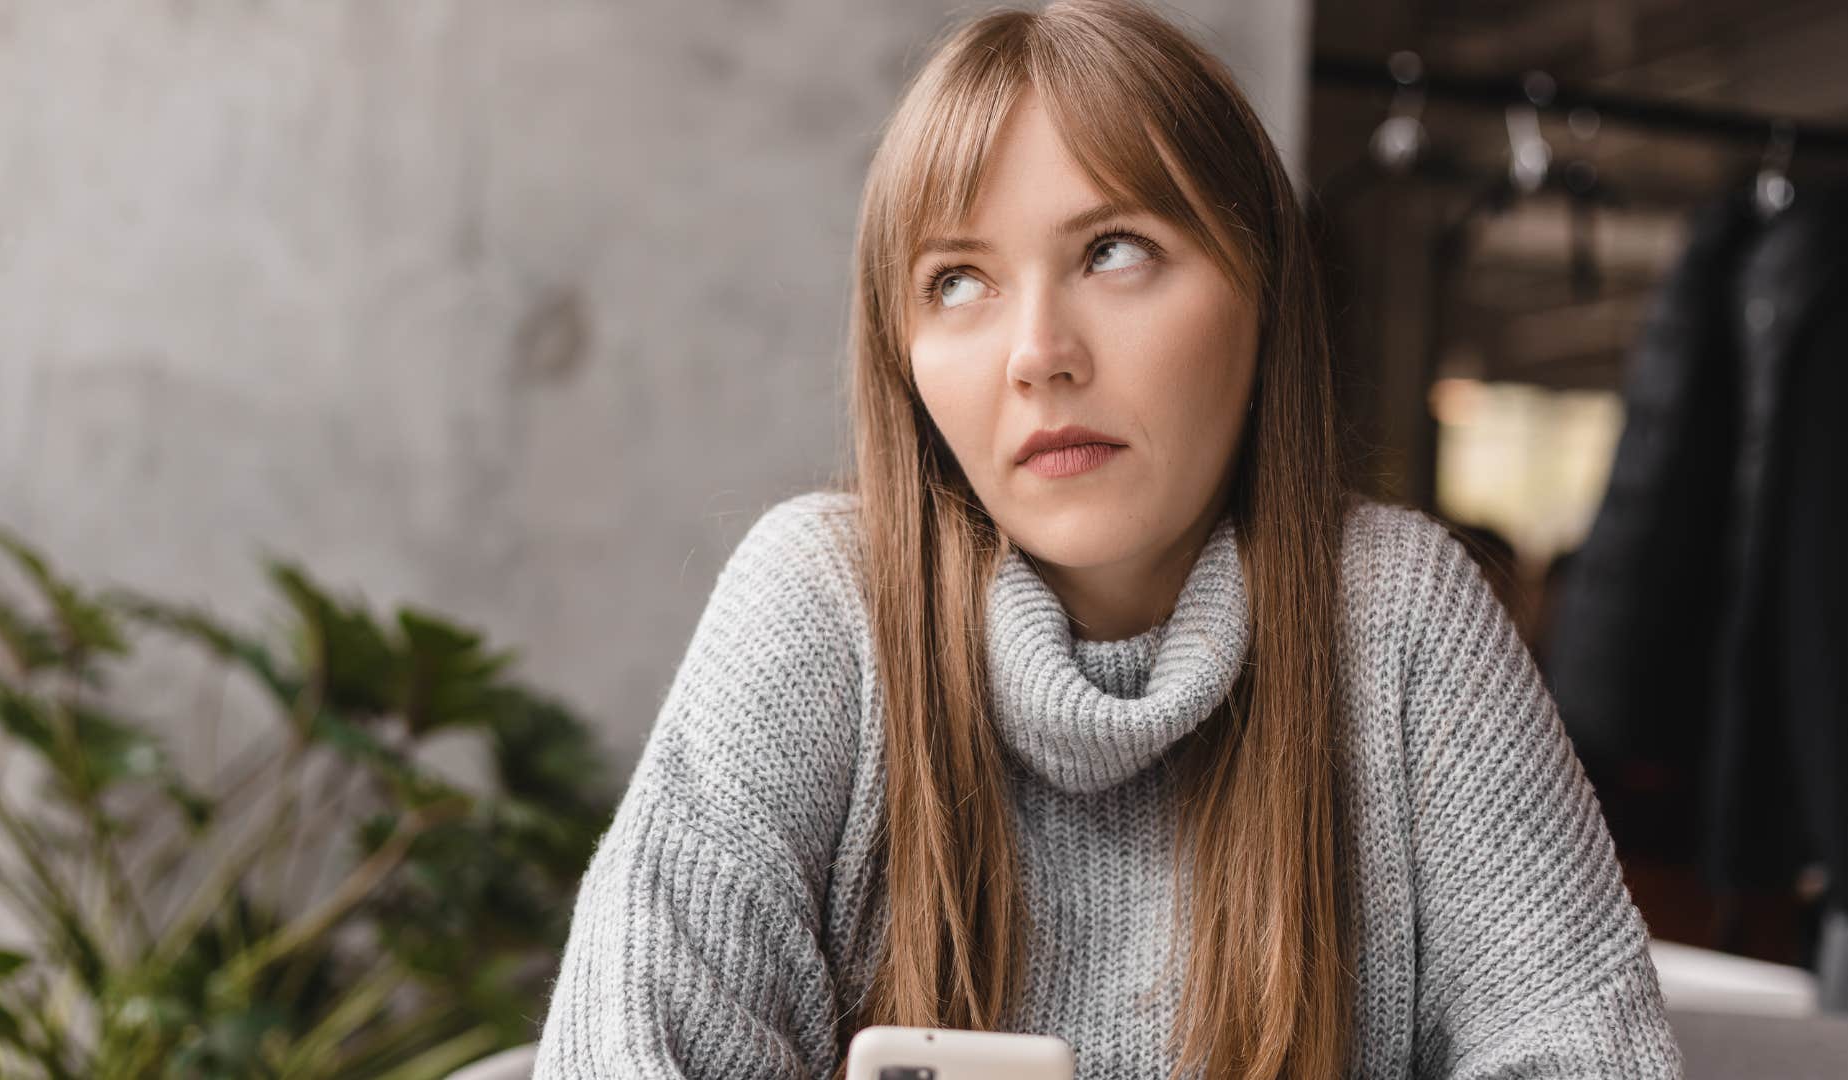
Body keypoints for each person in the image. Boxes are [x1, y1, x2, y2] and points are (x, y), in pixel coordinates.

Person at [532, 1, 1683, 1076]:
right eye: (959, 280)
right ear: (902, 351)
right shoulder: (826, 599)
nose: (1039, 351)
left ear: (1262, 289)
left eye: (1114, 250)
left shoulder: (1396, 617)